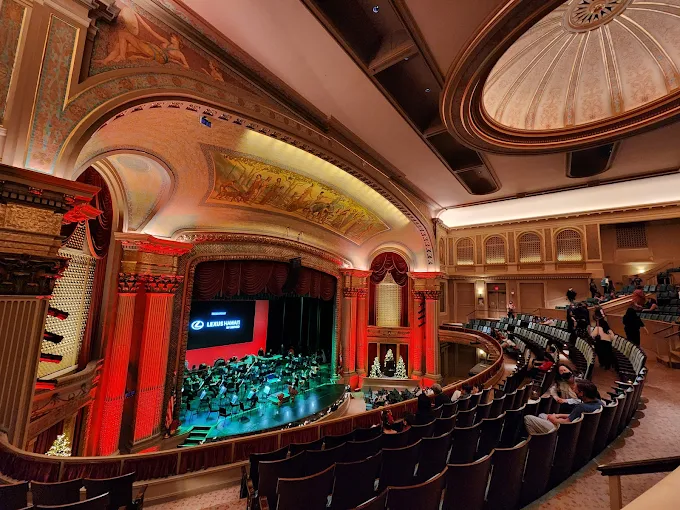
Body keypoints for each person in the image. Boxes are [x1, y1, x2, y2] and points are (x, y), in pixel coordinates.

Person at [524, 380, 602, 434]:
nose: (574, 391)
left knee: (528, 418)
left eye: (575, 389)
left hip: (564, 431)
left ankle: (537, 442)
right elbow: (575, 415)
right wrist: (558, 415)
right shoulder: (599, 403)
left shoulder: (581, 407)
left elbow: (567, 422)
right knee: (542, 415)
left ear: (581, 393)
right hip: (576, 430)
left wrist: (553, 418)